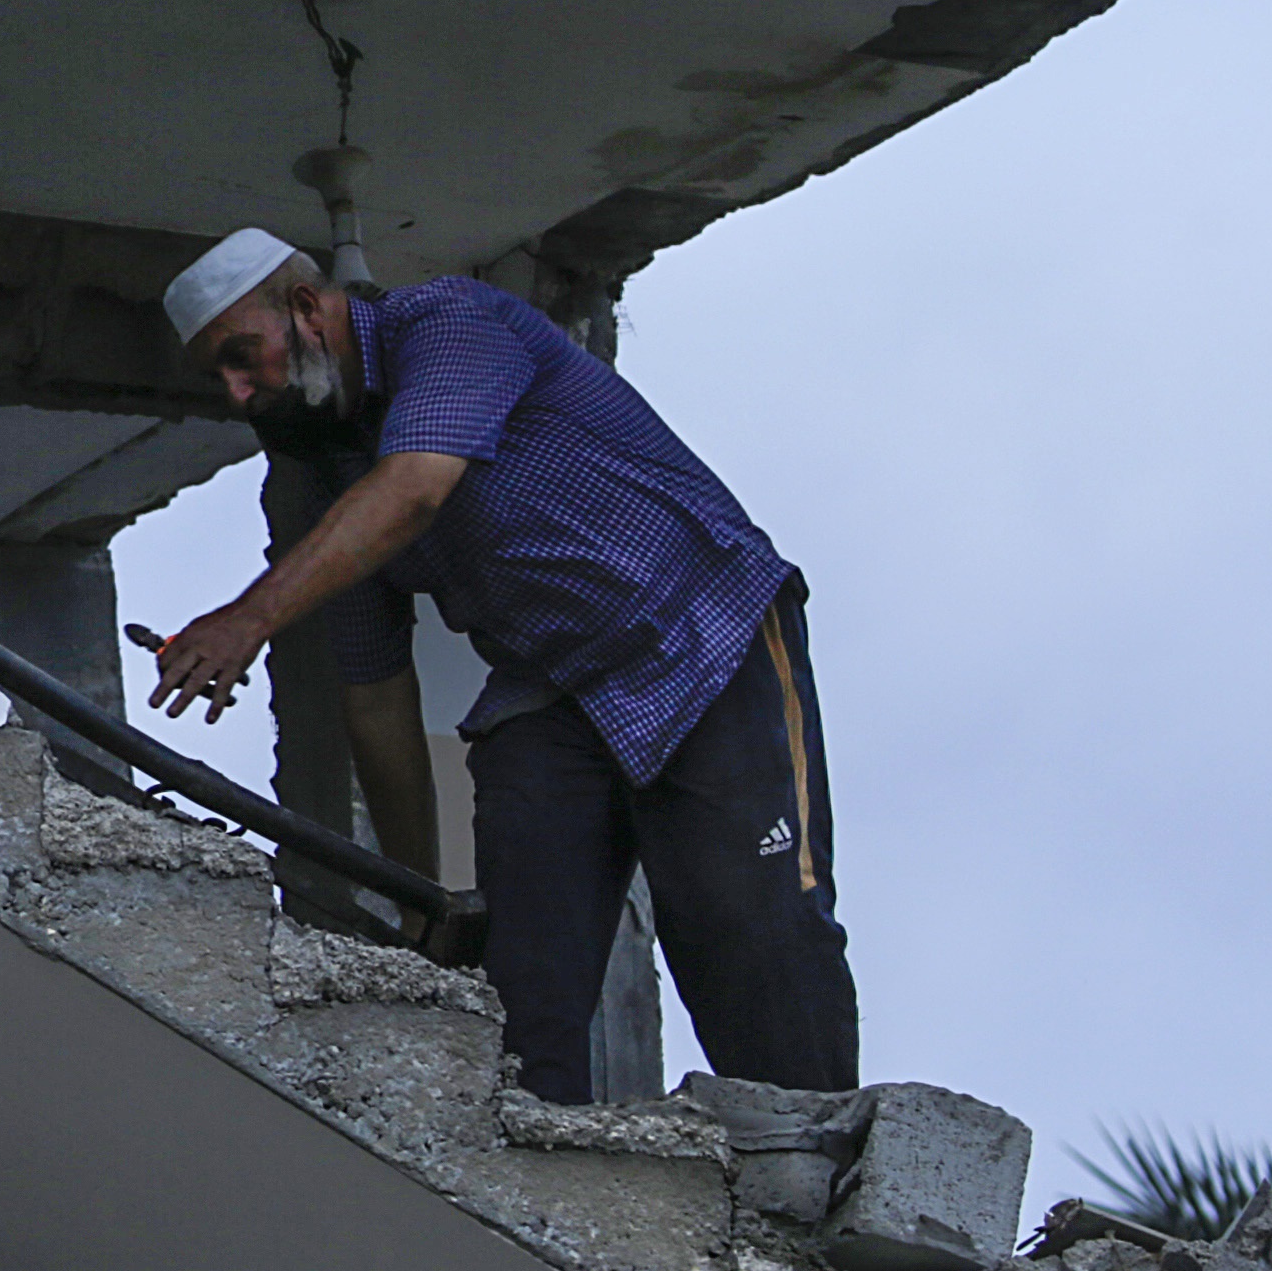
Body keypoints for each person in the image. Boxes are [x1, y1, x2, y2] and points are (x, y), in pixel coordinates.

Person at [136, 226, 855, 1105]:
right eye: (221, 376)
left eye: (242, 357)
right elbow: (375, 694)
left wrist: (248, 619)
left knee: (750, 933)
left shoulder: (448, 324)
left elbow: (416, 486)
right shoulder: (326, 468)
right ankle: (540, 1172)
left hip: (695, 632)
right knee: (516, 990)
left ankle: (809, 1186)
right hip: (550, 691)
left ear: (305, 308)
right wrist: (416, 899)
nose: (240, 392)